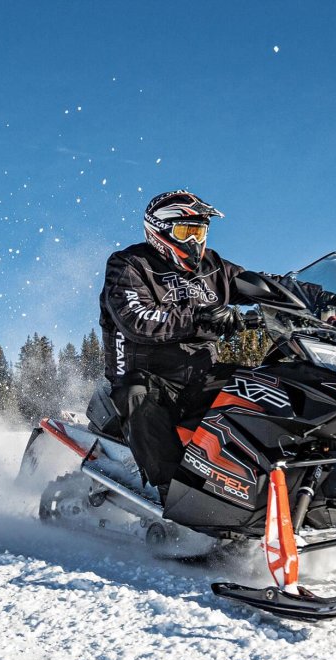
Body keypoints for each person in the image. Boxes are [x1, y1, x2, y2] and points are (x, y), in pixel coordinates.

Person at [97, 190, 248, 495]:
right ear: (159, 231)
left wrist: (319, 298)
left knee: (257, 388)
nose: (194, 241)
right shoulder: (129, 264)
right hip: (146, 375)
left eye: (199, 232)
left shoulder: (214, 267)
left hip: (199, 374)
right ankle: (171, 491)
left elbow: (264, 285)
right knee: (138, 396)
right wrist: (200, 316)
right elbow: (137, 318)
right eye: (185, 231)